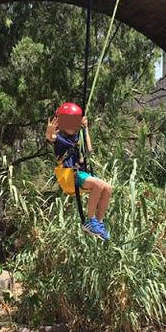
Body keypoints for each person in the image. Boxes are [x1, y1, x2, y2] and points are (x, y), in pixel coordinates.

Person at [46, 102, 112, 240]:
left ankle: (98, 223)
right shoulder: (60, 138)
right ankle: (90, 220)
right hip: (69, 175)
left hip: (80, 174)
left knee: (108, 188)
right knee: (99, 185)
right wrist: (50, 130)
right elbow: (50, 137)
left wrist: (85, 128)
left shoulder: (78, 136)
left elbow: (89, 151)